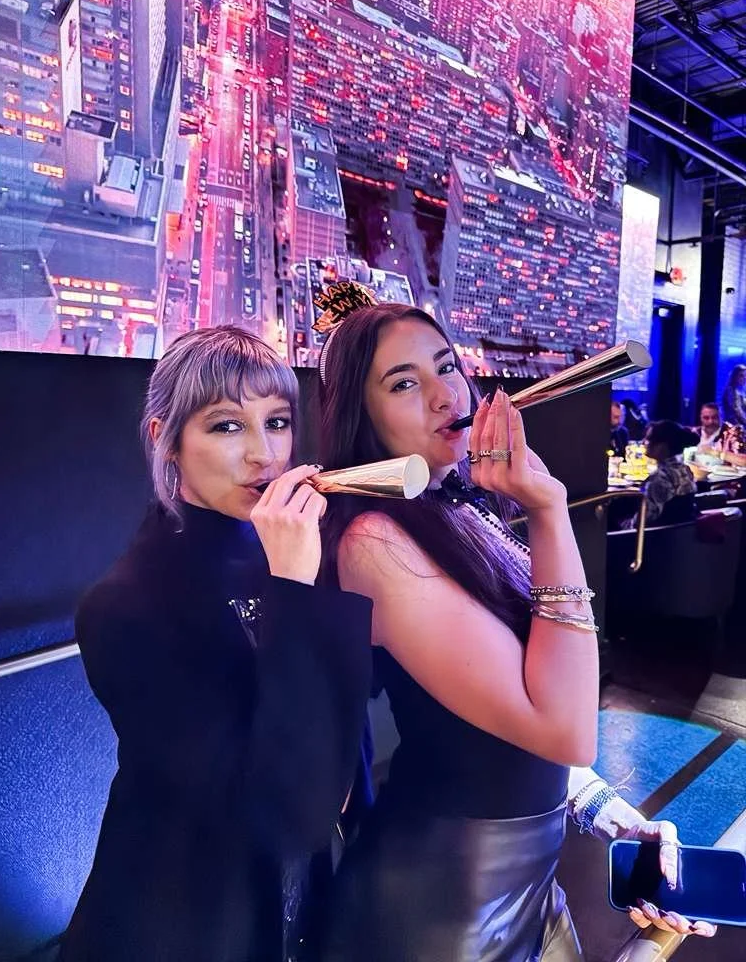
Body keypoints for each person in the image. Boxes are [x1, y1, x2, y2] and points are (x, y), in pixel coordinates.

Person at [315, 301, 714, 961]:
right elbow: (563, 723)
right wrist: (550, 506)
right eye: (404, 382)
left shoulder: (457, 507)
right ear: (363, 418)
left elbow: (528, 695)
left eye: (448, 367)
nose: (446, 393)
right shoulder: (372, 539)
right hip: (441, 915)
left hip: (527, 885)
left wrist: (598, 804)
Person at [59, 326, 373, 962]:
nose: (264, 455)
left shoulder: (285, 558)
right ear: (165, 440)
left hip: (295, 920)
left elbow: (349, 757)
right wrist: (297, 589)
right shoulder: (126, 606)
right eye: (227, 426)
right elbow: (295, 811)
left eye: (278, 422)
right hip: (179, 926)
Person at [623, 420, 698, 530]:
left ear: (663, 446)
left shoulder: (659, 479)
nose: (644, 442)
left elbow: (644, 519)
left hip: (652, 540)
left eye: (649, 439)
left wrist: (623, 525)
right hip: (679, 536)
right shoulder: (686, 470)